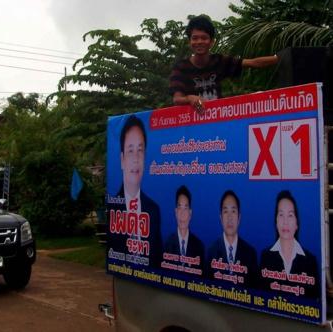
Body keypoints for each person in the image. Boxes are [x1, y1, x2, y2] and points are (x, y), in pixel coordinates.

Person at [169, 15, 279, 111]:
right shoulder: (181, 67)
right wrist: (190, 98)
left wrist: (279, 58)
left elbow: (253, 62)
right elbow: (177, 99)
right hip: (192, 123)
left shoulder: (219, 61)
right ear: (190, 42)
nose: (199, 42)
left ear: (212, 42)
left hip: (218, 119)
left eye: (204, 38)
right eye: (195, 38)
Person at [107, 115, 162, 268]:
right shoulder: (112, 208)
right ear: (122, 159)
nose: (136, 158)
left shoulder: (153, 211)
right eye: (131, 151)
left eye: (140, 150)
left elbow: (158, 262)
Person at [260, 190, 320, 298]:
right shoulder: (266, 257)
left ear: (297, 224)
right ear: (276, 222)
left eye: (290, 215)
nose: (285, 222)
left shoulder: (310, 261)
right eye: (281, 215)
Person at [206, 190, 258, 287]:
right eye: (226, 211)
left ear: (239, 217)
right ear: (221, 218)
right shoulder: (211, 252)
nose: (229, 217)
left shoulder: (250, 254)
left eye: (233, 211)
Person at [163, 185, 204, 276]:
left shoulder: (199, 247)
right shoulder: (166, 244)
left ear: (190, 213)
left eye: (185, 208)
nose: (182, 214)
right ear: (175, 212)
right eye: (179, 208)